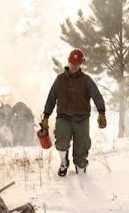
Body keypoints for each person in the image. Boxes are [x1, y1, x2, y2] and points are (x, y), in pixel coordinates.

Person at [41, 48, 107, 176]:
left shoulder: (86, 80)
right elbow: (51, 98)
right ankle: (64, 162)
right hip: (63, 118)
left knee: (82, 149)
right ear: (68, 61)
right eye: (72, 63)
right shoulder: (59, 80)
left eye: (77, 64)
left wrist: (101, 112)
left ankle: (81, 170)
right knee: (61, 142)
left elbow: (97, 96)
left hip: (82, 119)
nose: (74, 66)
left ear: (81, 64)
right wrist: (46, 116)